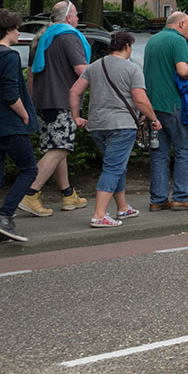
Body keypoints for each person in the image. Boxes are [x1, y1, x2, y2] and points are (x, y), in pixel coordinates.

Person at [68, 32, 158, 228]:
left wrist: (77, 116)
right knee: (113, 168)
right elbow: (140, 100)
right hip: (121, 125)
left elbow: (75, 91)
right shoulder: (132, 69)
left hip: (97, 125)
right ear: (127, 47)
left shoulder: (94, 67)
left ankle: (122, 207)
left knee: (118, 165)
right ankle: (99, 214)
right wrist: (153, 118)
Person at [19, 0, 89, 217]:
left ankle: (68, 195)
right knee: (61, 148)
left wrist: (32, 102)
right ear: (69, 18)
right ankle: (30, 193)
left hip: (42, 101)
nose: (78, 19)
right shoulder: (69, 36)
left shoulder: (41, 38)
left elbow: (31, 72)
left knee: (56, 148)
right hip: (62, 101)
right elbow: (82, 70)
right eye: (76, 15)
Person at [143, 12, 188, 211]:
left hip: (153, 106)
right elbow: (182, 70)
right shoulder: (178, 41)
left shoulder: (153, 40)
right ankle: (181, 195)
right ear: (180, 24)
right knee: (184, 149)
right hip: (174, 104)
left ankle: (158, 199)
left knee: (159, 154)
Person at [0, 10, 38, 242]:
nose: (19, 31)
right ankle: (5, 216)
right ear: (8, 30)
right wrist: (24, 115)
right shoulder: (9, 57)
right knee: (30, 169)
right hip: (11, 126)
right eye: (16, 28)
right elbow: (11, 94)